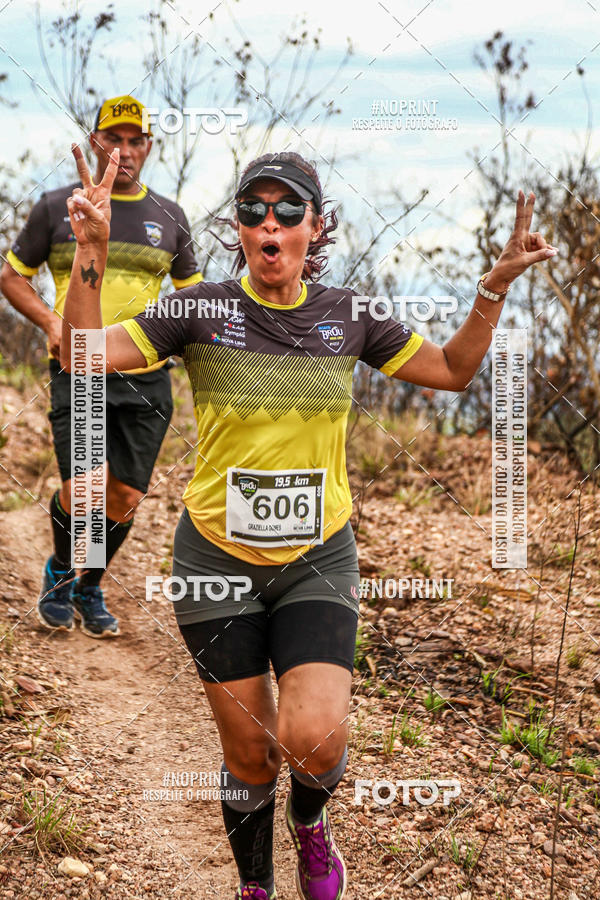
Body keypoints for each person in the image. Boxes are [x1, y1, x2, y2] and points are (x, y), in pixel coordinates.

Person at [60, 145, 557, 899]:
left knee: (313, 742)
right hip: (214, 561)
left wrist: (491, 286)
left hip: (318, 556)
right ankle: (256, 886)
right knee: (253, 756)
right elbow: (83, 353)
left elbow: (454, 371)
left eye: (288, 210)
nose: (270, 223)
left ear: (314, 227)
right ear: (237, 227)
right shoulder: (200, 310)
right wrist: (91, 256)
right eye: (254, 210)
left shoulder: (350, 316)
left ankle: (311, 825)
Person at [0, 95, 203, 638]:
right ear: (95, 143)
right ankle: (62, 574)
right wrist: (48, 321)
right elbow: (12, 274)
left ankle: (92, 582)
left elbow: (195, 300)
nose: (125, 149)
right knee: (85, 486)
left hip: (145, 378)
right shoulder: (55, 208)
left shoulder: (170, 217)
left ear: (149, 147)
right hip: (79, 371)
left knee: (124, 495)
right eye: (114, 139)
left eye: (136, 140)